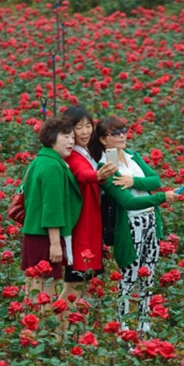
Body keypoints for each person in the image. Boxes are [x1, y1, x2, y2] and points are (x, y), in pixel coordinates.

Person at [88, 116, 178, 333]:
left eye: (123, 131)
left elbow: (155, 180)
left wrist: (133, 182)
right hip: (130, 225)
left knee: (149, 272)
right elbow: (127, 201)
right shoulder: (106, 168)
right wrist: (161, 198)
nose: (121, 136)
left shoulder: (133, 156)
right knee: (129, 274)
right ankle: (123, 326)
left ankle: (144, 322)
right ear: (102, 139)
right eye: (115, 133)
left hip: (150, 220)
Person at [21, 116, 82, 303]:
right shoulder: (52, 166)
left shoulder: (40, 161)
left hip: (34, 235)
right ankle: (39, 330)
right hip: (44, 238)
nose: (71, 141)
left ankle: (30, 330)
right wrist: (55, 243)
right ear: (52, 137)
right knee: (43, 290)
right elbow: (52, 207)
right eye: (66, 136)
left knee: (33, 289)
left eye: (73, 137)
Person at [61, 106, 117, 304]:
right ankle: (57, 327)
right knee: (74, 285)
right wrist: (98, 176)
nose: (85, 132)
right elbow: (81, 175)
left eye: (88, 126)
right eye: (79, 127)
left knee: (82, 285)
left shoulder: (85, 152)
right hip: (81, 226)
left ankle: (65, 327)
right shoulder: (72, 156)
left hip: (90, 223)